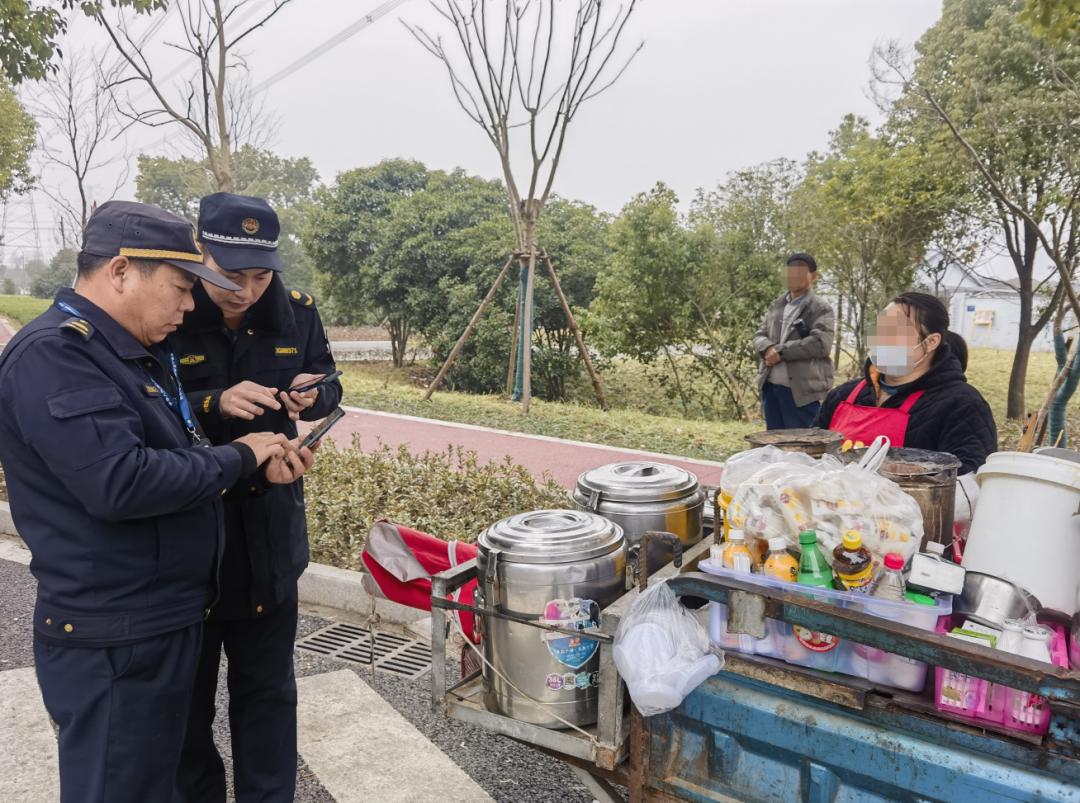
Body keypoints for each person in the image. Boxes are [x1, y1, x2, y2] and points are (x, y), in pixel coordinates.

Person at [0, 201, 315, 803]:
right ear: (121, 271)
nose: (190, 305)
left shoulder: (123, 352)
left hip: (155, 618)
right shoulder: (58, 355)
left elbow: (169, 451)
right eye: (179, 288)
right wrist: (241, 456)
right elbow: (121, 481)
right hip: (114, 632)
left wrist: (255, 463)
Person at [171, 192, 343, 803]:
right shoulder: (171, 307)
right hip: (190, 534)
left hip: (268, 526)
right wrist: (212, 403)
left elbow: (327, 378)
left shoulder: (296, 311)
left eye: (260, 274)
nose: (244, 290)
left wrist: (313, 394)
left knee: (268, 693)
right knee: (186, 705)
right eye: (229, 275)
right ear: (200, 254)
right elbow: (139, 405)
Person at [814, 291, 996, 475]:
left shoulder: (963, 405)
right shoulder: (842, 395)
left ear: (931, 341)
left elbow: (967, 486)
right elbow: (810, 457)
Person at [753, 252, 835, 430]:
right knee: (774, 444)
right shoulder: (777, 305)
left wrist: (781, 352)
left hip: (801, 391)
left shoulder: (820, 308)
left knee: (803, 445)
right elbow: (759, 335)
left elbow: (821, 344)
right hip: (771, 386)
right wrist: (767, 349)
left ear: (813, 276)